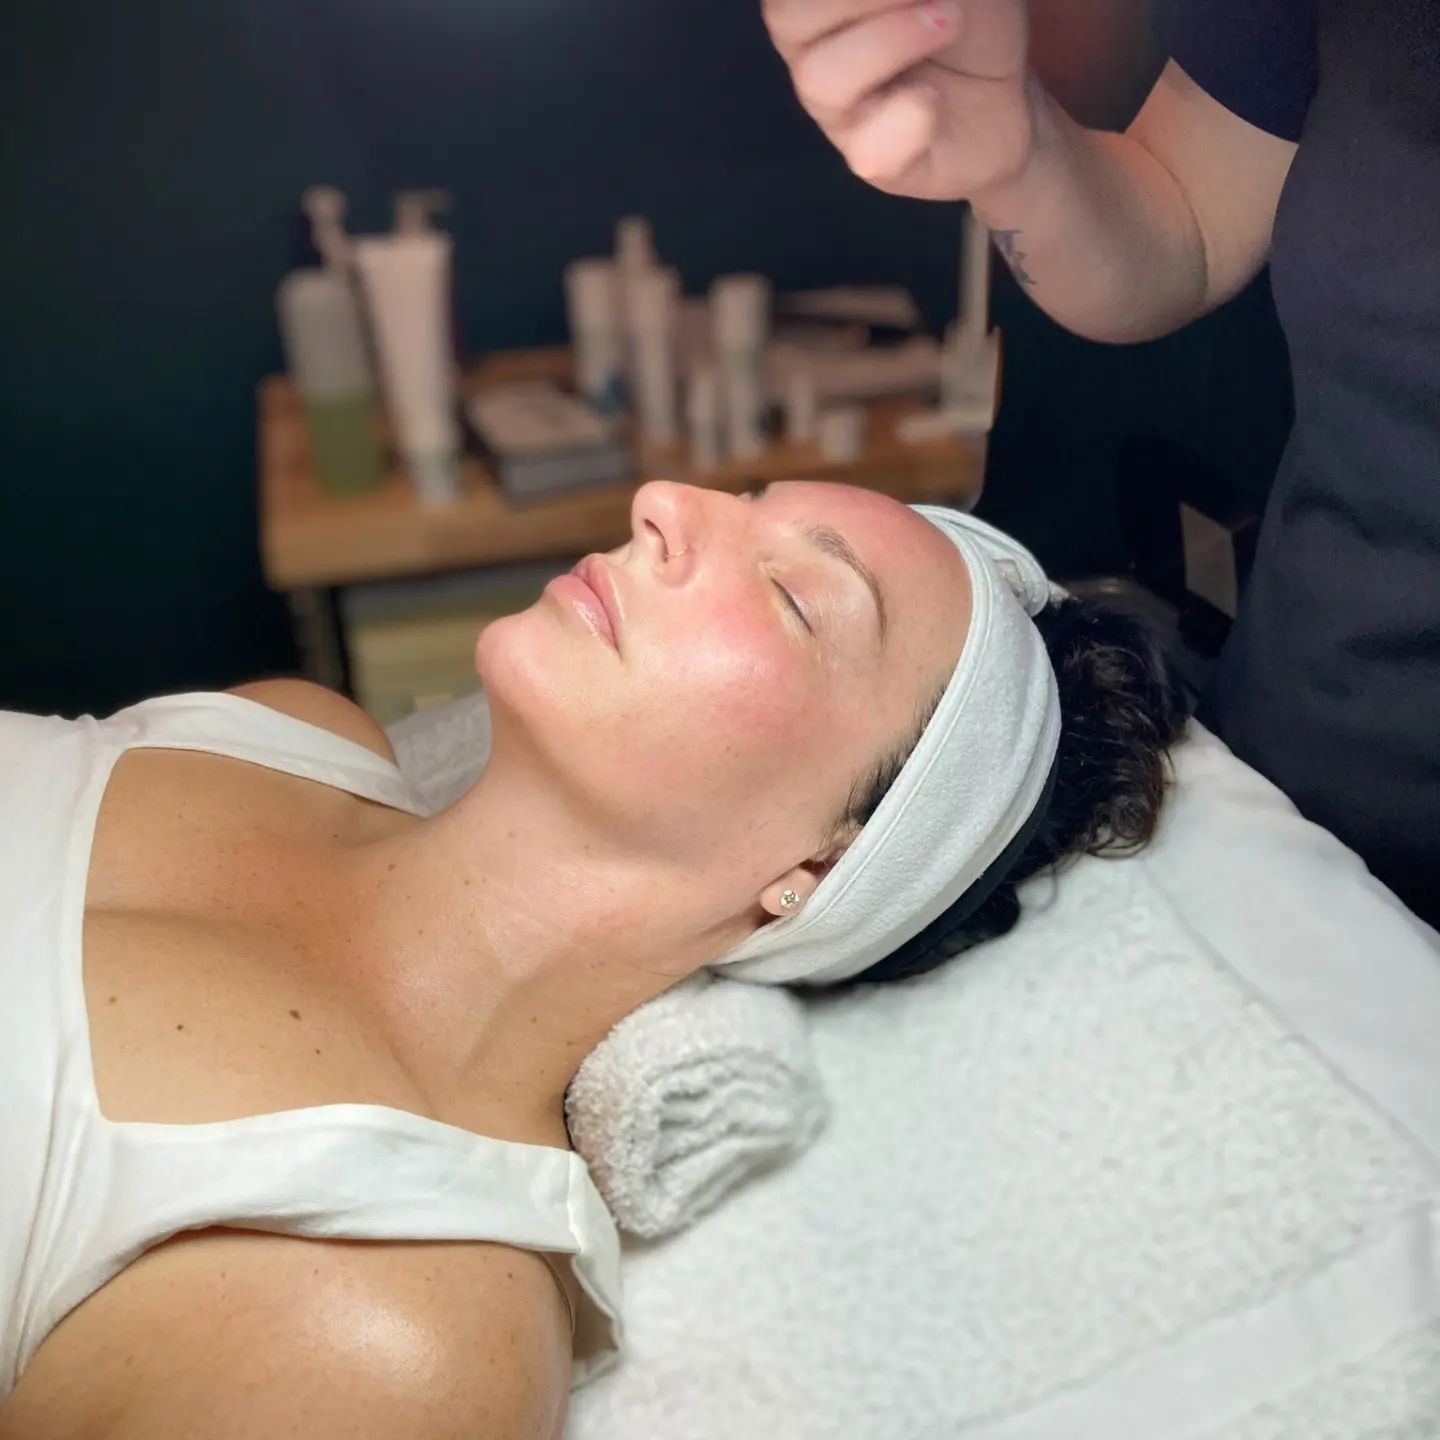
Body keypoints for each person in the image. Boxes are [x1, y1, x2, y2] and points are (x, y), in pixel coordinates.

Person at [0, 480, 1181, 1436]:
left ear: (815, 872)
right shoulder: (286, 729)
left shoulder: (388, 1325)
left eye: (795, 596)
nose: (666, 498)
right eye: (745, 499)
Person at [761, 0, 1439, 928]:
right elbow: (1188, 219)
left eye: (796, 603)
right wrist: (1019, 154)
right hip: (1290, 810)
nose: (658, 510)